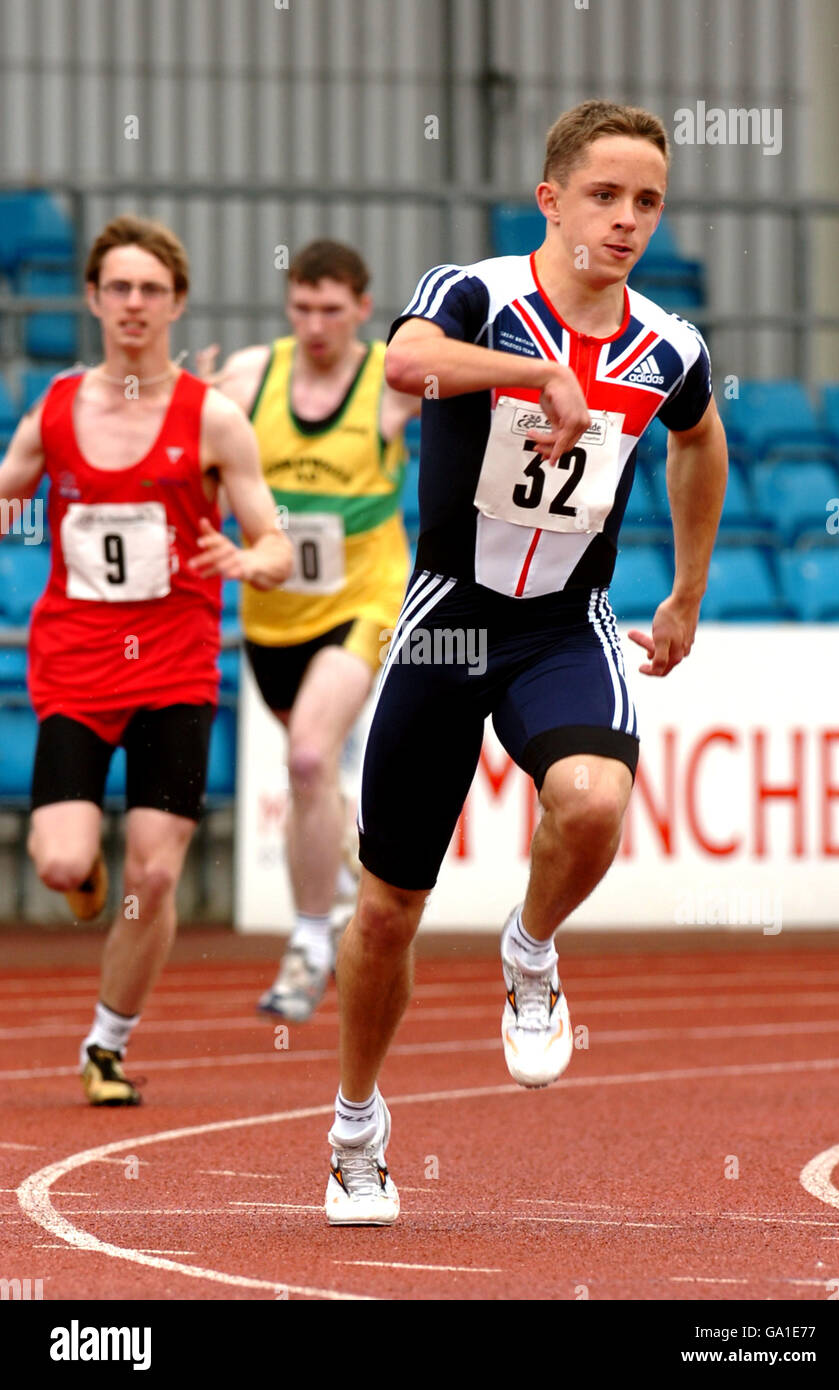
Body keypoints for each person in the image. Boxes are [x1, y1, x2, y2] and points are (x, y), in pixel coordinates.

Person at [323, 99, 728, 1223]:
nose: (626, 219)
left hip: (564, 624)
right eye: (603, 195)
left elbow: (697, 437)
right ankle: (357, 1125)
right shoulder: (477, 292)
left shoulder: (667, 345)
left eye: (646, 200)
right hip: (446, 623)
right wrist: (529, 377)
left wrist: (687, 588)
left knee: (593, 804)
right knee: (387, 912)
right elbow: (403, 362)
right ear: (550, 198)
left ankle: (529, 948)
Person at [0, 214, 292, 1105]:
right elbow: (7, 498)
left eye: (151, 290)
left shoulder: (215, 420)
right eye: (118, 288)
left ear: (177, 303)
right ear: (92, 298)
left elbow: (277, 542)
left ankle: (106, 1043)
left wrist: (249, 562)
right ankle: (79, 867)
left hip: (174, 666)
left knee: (157, 871)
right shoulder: (52, 411)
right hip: (77, 667)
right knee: (60, 865)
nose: (134, 304)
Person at [198, 240, 419, 1023]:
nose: (317, 324)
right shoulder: (254, 376)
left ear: (362, 308)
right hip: (273, 609)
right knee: (311, 777)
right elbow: (188, 449)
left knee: (307, 753)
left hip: (364, 597)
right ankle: (338, 891)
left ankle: (307, 946)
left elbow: (473, 398)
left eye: (333, 309)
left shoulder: (390, 378)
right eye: (303, 308)